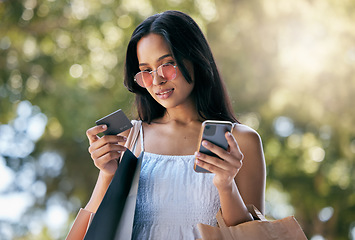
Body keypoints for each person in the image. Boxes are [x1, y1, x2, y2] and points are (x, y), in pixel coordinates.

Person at [69, 10, 266, 240]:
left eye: (168, 64)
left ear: (195, 58)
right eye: (146, 71)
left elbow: (253, 237)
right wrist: (107, 175)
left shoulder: (241, 141)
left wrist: (225, 185)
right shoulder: (128, 138)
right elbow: (88, 236)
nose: (158, 80)